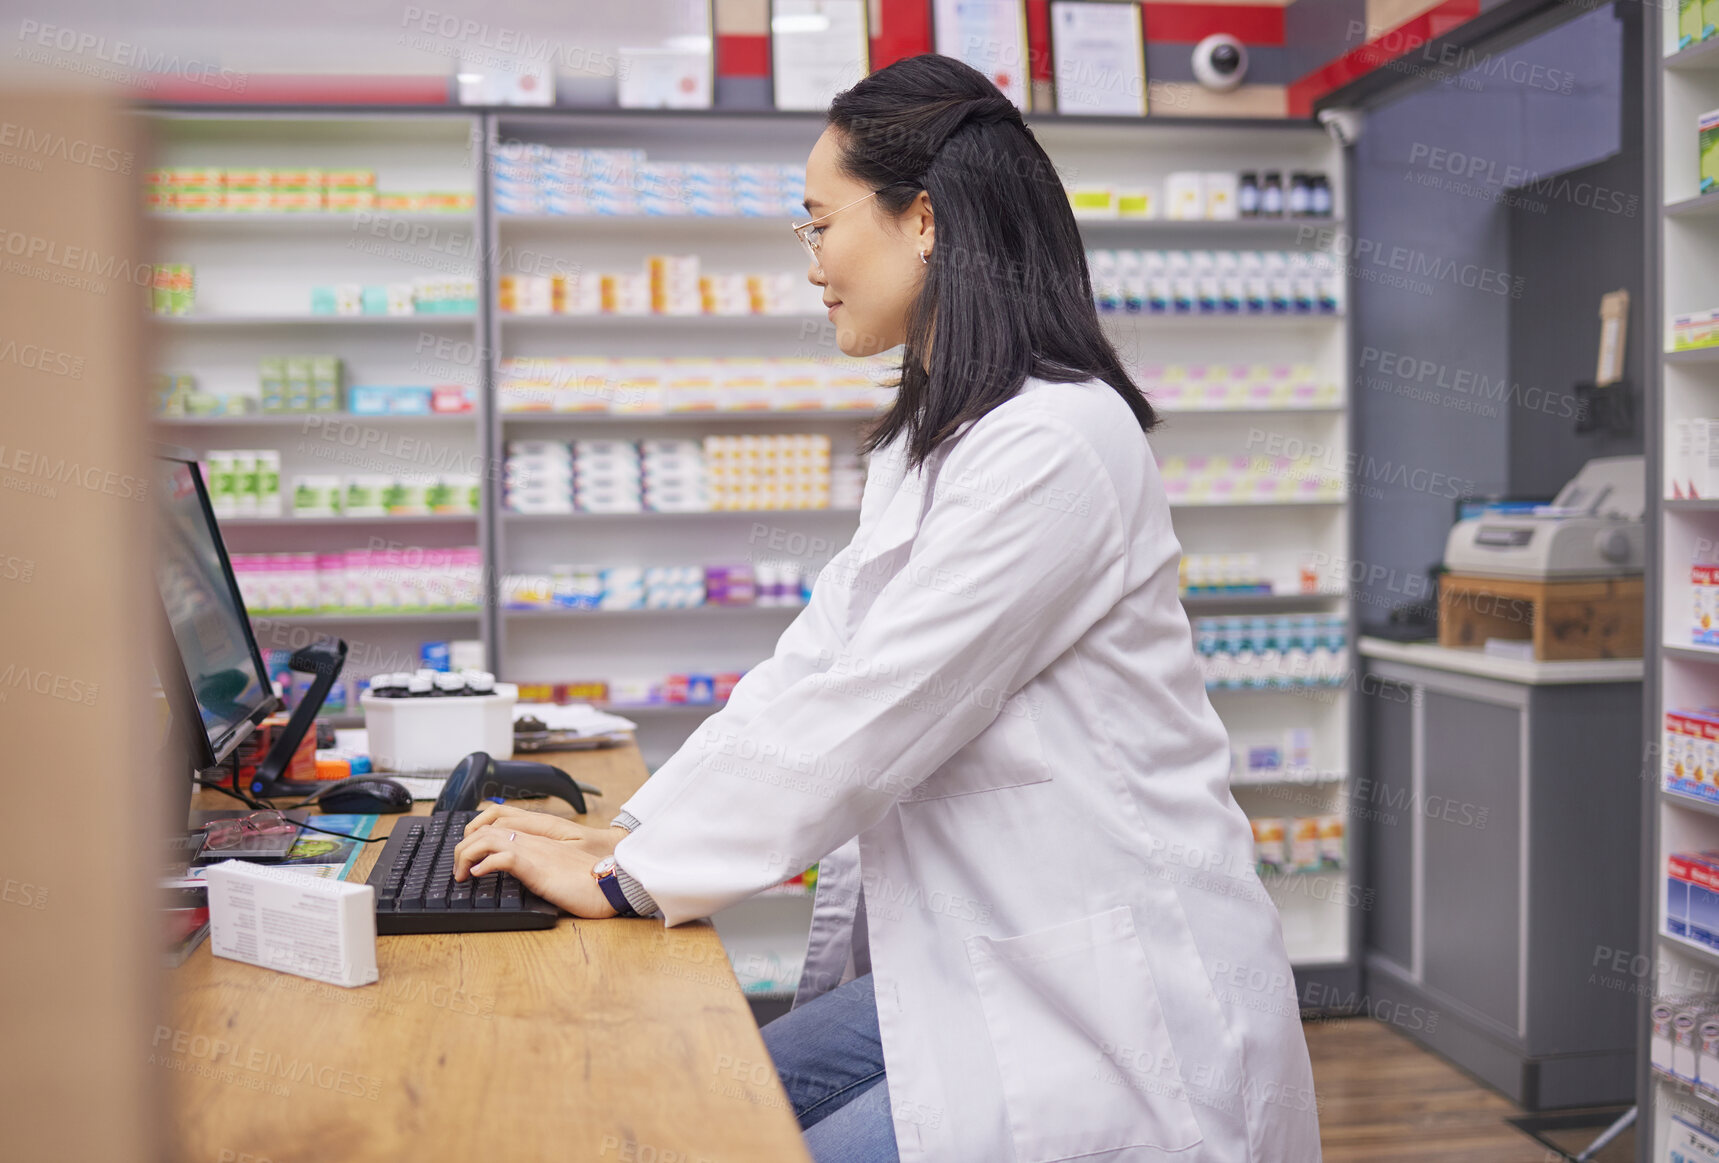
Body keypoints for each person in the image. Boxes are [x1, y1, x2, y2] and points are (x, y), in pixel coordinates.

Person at [454, 53, 1321, 1163]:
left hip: (1124, 1002)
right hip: (996, 959)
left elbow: (873, 713)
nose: (812, 263)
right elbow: (811, 669)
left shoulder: (1056, 441)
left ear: (923, 220)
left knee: (726, 1133)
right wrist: (631, 830)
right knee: (719, 1094)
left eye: (820, 225)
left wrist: (626, 877)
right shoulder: (942, 438)